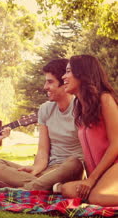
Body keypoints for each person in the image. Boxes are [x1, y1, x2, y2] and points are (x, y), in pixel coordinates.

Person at [0, 59, 84, 191]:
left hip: (69, 170)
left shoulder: (80, 108)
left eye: (50, 82)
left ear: (64, 83)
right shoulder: (45, 109)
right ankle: (48, 187)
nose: (45, 87)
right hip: (47, 170)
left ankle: (16, 190)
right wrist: (36, 168)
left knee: (74, 163)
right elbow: (43, 150)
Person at [58, 55, 118, 206]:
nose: (63, 76)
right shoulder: (81, 108)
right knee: (67, 189)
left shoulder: (105, 99)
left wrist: (92, 180)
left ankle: (101, 193)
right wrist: (92, 180)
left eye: (69, 71)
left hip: (115, 166)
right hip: (102, 174)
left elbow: (116, 143)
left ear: (83, 74)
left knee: (96, 198)